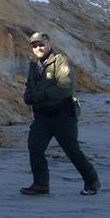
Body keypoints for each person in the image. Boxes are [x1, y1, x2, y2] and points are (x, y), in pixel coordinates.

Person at [21, 31, 100, 196]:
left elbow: (66, 86)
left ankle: (92, 180)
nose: (38, 48)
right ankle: (40, 184)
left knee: (72, 150)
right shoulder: (34, 66)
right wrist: (28, 97)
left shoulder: (61, 61)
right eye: (34, 46)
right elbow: (29, 86)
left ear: (49, 44)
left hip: (62, 116)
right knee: (35, 148)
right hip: (42, 117)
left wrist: (40, 96)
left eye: (41, 44)